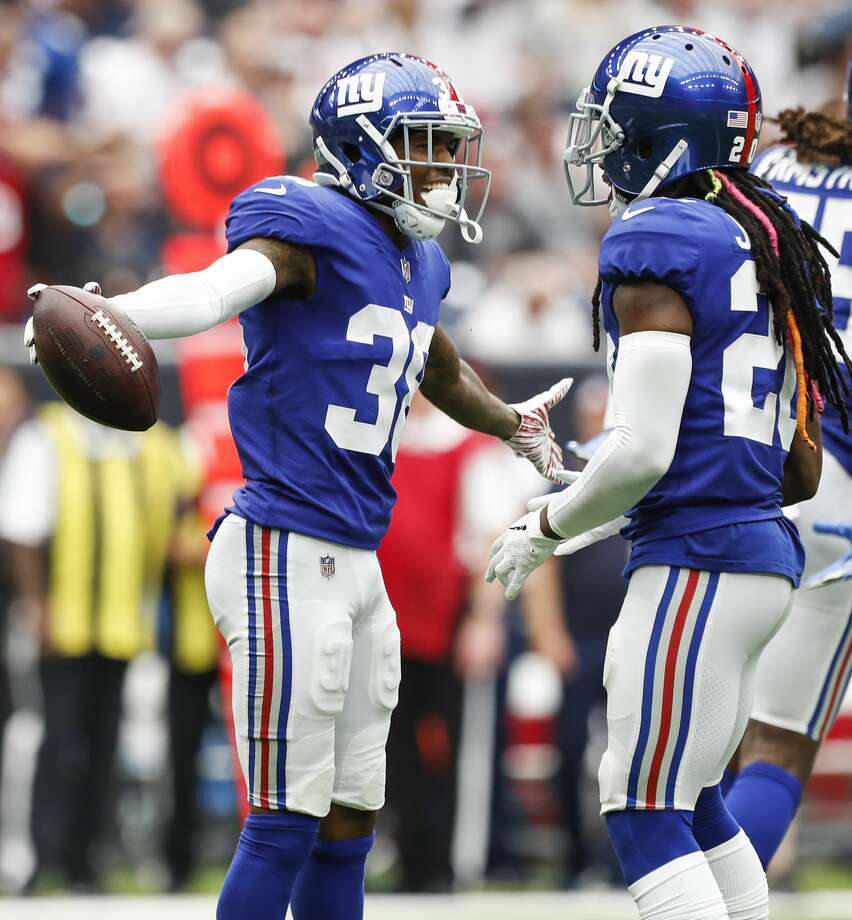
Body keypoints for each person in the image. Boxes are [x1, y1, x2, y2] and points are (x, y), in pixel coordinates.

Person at [25, 53, 569, 920]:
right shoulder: (306, 222)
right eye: (429, 146)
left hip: (354, 554)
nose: (447, 169)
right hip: (282, 544)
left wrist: (510, 423)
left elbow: (437, 363)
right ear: (365, 148)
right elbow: (213, 293)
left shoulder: (419, 264)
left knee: (353, 811)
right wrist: (119, 313)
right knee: (285, 814)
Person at [487, 25, 851, 920]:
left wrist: (547, 524)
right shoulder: (755, 230)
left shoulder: (659, 235)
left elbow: (646, 450)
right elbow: (781, 460)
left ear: (662, 135)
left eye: (615, 126)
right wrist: (589, 481)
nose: (600, 145)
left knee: (641, 807)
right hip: (762, 542)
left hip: (700, 556)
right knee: (699, 800)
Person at [720, 82, 852, 870]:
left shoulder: (769, 168)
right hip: (834, 485)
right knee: (778, 744)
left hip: (742, 468)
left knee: (713, 740)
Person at [0, 402, 182, 892]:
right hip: (66, 622)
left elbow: (173, 503)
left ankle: (87, 863)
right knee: (59, 741)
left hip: (122, 623)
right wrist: (37, 605)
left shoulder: (144, 440)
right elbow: (21, 528)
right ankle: (44, 858)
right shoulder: (49, 435)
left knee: (105, 745)